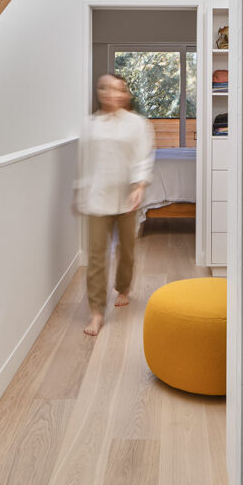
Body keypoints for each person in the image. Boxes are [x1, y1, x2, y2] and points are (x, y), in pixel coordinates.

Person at [75, 74, 155, 336]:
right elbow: (83, 162)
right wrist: (80, 192)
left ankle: (123, 287)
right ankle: (96, 312)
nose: (110, 93)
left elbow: (143, 156)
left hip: (126, 198)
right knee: (96, 257)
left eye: (117, 89)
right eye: (104, 88)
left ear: (125, 93)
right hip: (97, 198)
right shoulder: (89, 125)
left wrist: (139, 186)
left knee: (127, 249)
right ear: (99, 92)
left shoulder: (137, 124)